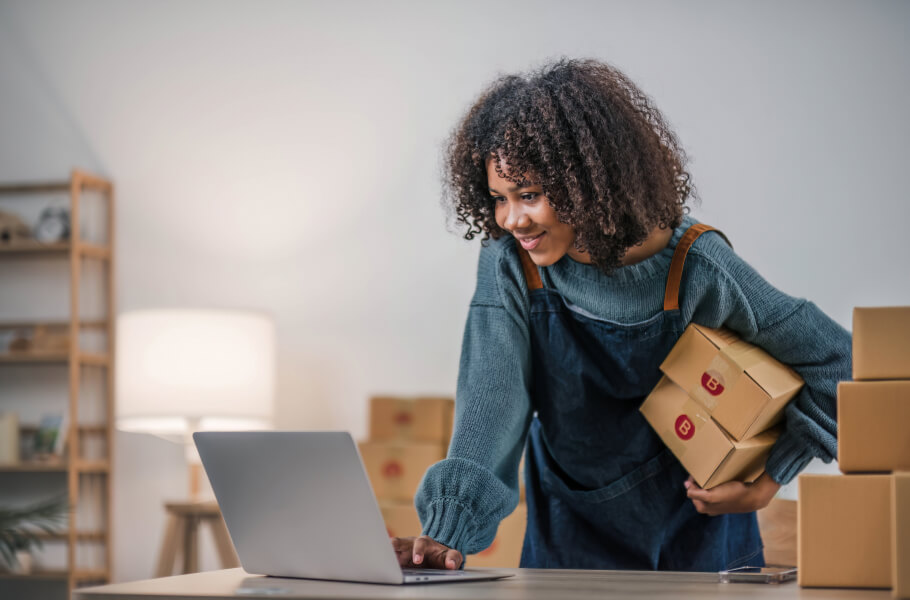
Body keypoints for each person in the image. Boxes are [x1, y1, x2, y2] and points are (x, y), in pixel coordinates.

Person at [390, 58, 851, 572]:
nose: (512, 219)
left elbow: (838, 362)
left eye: (530, 194)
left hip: (697, 528)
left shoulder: (696, 266)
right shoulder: (513, 262)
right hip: (570, 525)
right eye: (499, 199)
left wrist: (769, 481)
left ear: (590, 182)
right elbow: (492, 397)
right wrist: (447, 531)